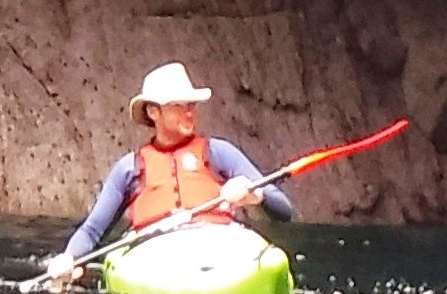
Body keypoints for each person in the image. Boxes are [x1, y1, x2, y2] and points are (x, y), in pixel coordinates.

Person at [44, 62, 291, 278]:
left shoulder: (219, 153)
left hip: (218, 247)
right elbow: (92, 230)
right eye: (178, 105)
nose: (189, 112)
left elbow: (283, 210)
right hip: (156, 254)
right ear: (154, 112)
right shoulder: (130, 168)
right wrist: (69, 257)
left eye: (191, 104)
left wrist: (254, 196)